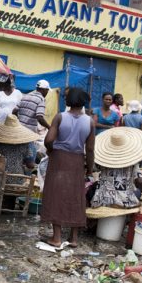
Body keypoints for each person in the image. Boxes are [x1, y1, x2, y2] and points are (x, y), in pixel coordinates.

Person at [41, 87, 95, 248]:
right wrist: (90, 169)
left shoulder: (60, 117)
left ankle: (56, 238)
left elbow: (48, 139)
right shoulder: (90, 122)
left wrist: (51, 150)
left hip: (59, 159)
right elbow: (90, 149)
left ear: (68, 101)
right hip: (77, 161)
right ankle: (74, 238)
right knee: (76, 197)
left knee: (56, 194)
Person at [90, 126, 142, 210]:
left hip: (101, 199)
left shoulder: (103, 161)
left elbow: (93, 169)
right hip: (124, 201)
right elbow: (140, 181)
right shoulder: (132, 162)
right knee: (138, 192)